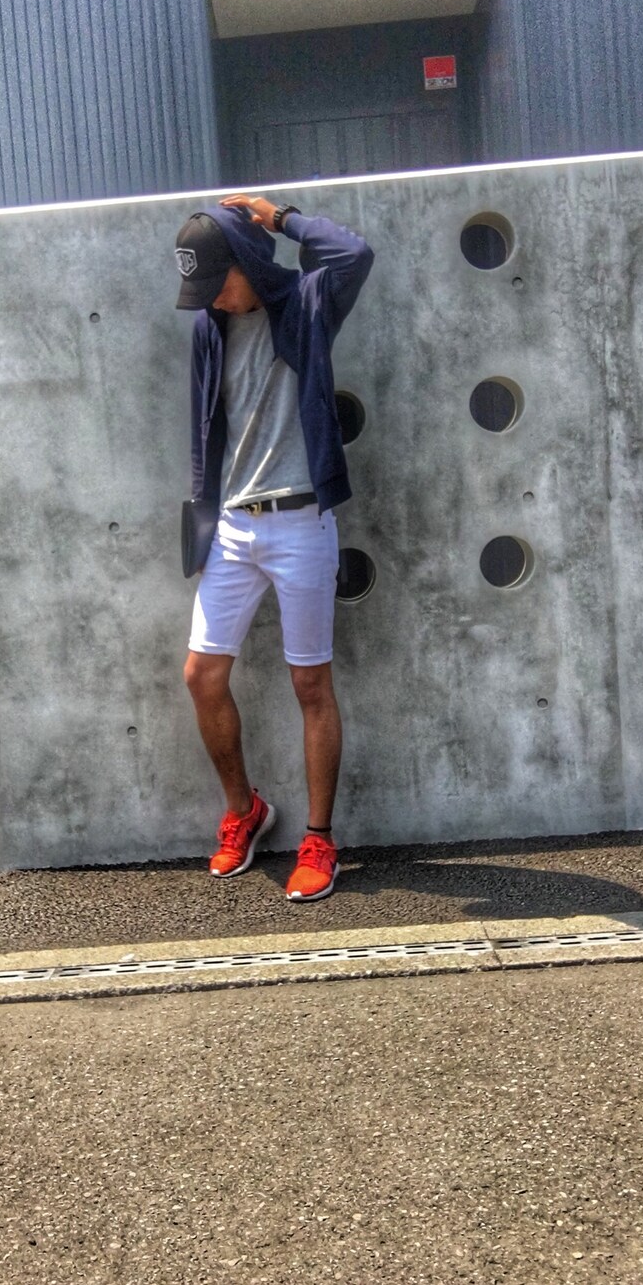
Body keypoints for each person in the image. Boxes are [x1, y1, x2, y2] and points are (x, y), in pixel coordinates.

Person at [174, 193, 373, 900]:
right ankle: (245, 810)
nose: (212, 299)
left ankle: (319, 840)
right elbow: (206, 428)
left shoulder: (307, 303)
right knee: (202, 675)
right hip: (233, 525)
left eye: (217, 282)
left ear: (248, 263)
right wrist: (203, 514)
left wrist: (279, 217)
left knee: (310, 684)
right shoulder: (210, 327)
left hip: (300, 522)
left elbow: (354, 253)